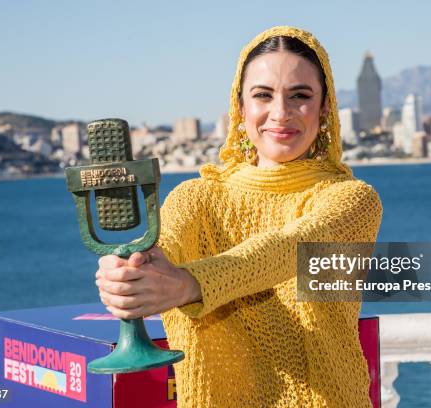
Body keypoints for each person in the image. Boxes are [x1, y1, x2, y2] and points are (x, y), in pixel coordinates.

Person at [96, 26, 382, 407]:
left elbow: (290, 248)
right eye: (263, 95)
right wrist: (129, 272)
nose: (280, 113)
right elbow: (162, 249)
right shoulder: (196, 197)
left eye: (300, 96)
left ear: (325, 106)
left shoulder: (351, 200)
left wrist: (189, 284)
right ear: (240, 107)